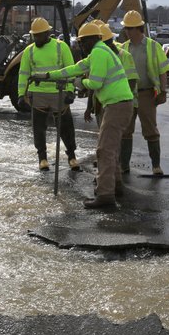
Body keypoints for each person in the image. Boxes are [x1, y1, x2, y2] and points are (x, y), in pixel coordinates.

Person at [47, 23, 133, 209]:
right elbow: (75, 68)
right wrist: (49, 75)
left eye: (82, 41)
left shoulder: (99, 53)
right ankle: (115, 187)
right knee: (111, 149)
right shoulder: (99, 52)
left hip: (117, 105)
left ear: (91, 39)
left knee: (105, 151)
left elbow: (95, 83)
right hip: (120, 105)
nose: (80, 46)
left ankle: (105, 195)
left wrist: (80, 82)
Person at [17, 17, 79, 172]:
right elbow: (23, 73)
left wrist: (71, 90)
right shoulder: (29, 50)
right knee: (38, 128)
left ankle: (71, 156)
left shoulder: (61, 47)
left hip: (59, 93)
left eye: (39, 35)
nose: (36, 38)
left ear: (47, 33)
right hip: (38, 94)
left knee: (66, 127)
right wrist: (20, 94)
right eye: (34, 35)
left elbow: (71, 69)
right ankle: (42, 158)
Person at [119, 10, 169, 176]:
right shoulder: (123, 47)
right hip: (128, 94)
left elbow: (163, 70)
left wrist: (163, 91)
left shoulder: (152, 46)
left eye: (129, 28)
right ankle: (123, 165)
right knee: (126, 130)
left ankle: (156, 165)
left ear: (138, 28)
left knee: (150, 129)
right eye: (126, 28)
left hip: (146, 94)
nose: (126, 31)